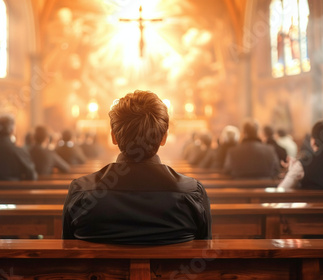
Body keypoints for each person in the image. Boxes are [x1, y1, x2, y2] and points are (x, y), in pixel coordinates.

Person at [62, 90, 211, 244]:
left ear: (113, 136)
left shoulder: (81, 193)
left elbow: (66, 251)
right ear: (164, 138)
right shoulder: (192, 194)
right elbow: (205, 248)